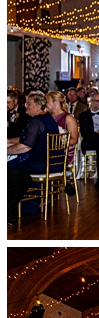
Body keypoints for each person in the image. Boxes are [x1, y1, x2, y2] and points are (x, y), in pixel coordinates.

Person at [9, 93, 55, 223]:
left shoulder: (35, 121)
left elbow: (25, 146)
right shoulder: (48, 119)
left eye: (29, 103)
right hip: (50, 162)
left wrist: (5, 151)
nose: (26, 106)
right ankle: (18, 208)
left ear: (39, 105)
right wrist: (10, 141)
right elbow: (28, 138)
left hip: (39, 164)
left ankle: (9, 208)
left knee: (10, 170)